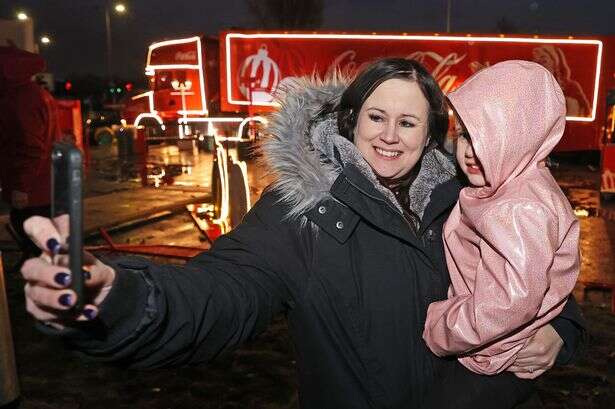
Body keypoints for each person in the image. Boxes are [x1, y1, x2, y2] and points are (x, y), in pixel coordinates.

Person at [20, 58, 585, 409]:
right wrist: (116, 298)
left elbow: (542, 273)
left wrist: (561, 329)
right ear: (350, 121)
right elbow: (218, 293)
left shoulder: (471, 199)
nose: (390, 135)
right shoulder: (303, 213)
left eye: (408, 121)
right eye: (375, 116)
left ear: (430, 132)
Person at [422, 60, 580, 377]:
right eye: (464, 136)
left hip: (478, 355)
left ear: (519, 138)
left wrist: (442, 328)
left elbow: (514, 299)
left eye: (487, 136)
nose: (469, 151)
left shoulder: (520, 206)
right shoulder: (504, 188)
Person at [0, 46, 61, 255]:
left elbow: (30, 146)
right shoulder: (36, 94)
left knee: (36, 246)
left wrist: (21, 186)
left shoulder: (19, 99)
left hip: (33, 192)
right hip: (43, 187)